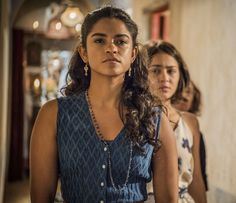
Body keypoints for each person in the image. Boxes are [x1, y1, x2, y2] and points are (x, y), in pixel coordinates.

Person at [30, 6, 178, 203]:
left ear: (133, 54)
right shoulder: (54, 114)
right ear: (84, 52)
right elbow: (40, 198)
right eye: (99, 40)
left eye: (121, 41)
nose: (111, 48)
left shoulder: (154, 118)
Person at [145, 40, 207, 203]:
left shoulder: (189, 122)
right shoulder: (134, 119)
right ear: (143, 74)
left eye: (171, 71)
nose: (164, 78)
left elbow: (197, 180)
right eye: (156, 71)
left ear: (180, 76)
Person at [173, 80, 208, 191]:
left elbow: (199, 175)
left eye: (188, 92)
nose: (184, 95)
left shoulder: (196, 133)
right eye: (180, 90)